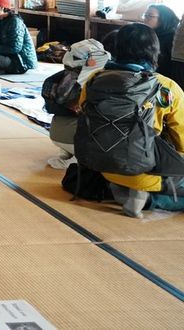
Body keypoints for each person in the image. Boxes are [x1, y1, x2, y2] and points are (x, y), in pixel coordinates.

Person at [76, 23, 184, 216]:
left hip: (101, 165)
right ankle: (149, 199)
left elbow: (83, 113)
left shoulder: (94, 79)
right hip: (145, 171)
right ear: (154, 51)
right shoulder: (166, 86)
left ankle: (120, 189)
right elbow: (182, 138)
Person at [42, 38, 109, 169]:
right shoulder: (95, 80)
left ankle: (66, 154)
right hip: (76, 137)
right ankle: (77, 159)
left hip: (55, 133)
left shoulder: (60, 78)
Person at [142, 4, 180, 79]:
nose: (145, 19)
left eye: (150, 16)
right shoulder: (149, 34)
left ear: (163, 18)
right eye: (145, 15)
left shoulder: (172, 38)